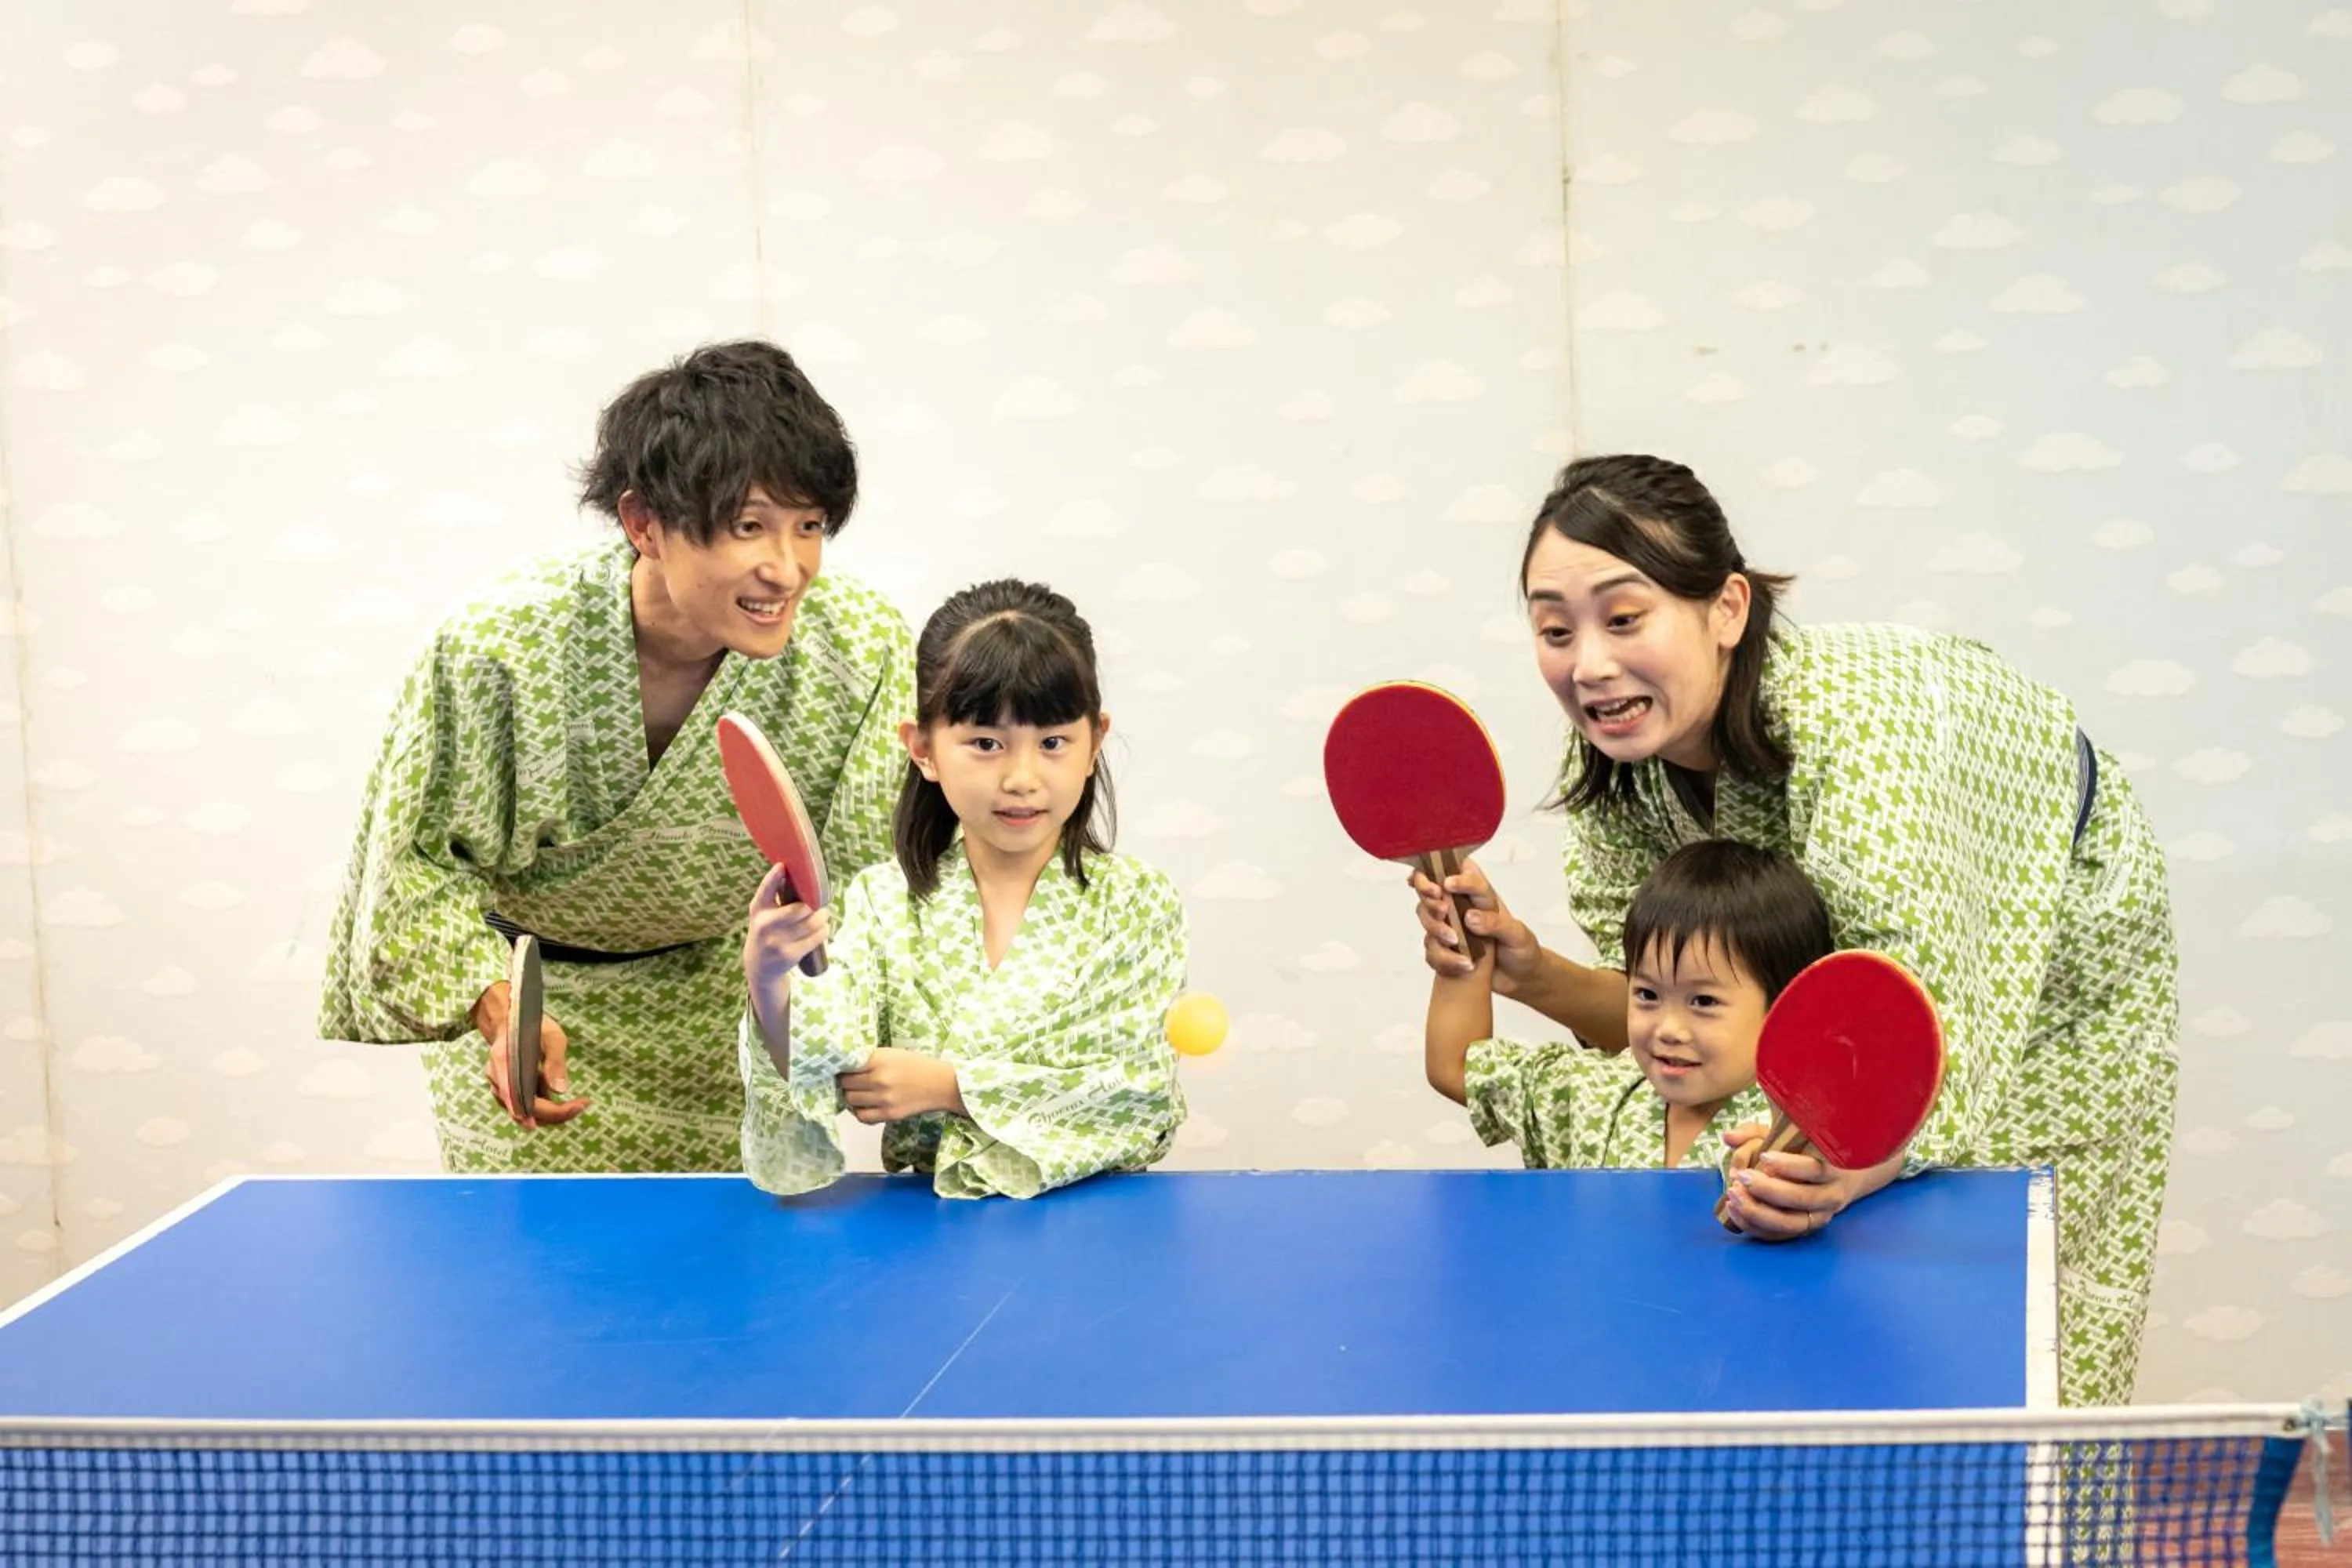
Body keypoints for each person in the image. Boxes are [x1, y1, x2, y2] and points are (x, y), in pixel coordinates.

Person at [1414, 453, 2177, 1406]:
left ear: (1727, 607)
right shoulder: (1621, 747)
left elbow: (1914, 1042)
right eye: (1555, 629)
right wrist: (1530, 972)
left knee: (1984, 1294)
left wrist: (1845, 1171)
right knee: (1812, 1244)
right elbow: (1694, 1007)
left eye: (1624, 615)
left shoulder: (1868, 736)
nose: (1589, 663)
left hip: (2061, 957)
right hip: (1901, 969)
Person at [317, 340, 913, 1173]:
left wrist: (811, 1007)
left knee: (739, 1281)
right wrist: (501, 1009)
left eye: (809, 526)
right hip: (531, 1007)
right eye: (749, 525)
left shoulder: (865, 648)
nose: (788, 568)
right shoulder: (498, 648)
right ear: (644, 524)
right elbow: (417, 865)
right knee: (535, 1278)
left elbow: (868, 876)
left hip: (730, 1009)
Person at [739, 579, 1189, 1200]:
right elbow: (826, 1066)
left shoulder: (1139, 902)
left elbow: (1141, 1096)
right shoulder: (882, 901)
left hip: (1095, 1218)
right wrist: (768, 980)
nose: (1023, 778)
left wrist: (952, 1087)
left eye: (1053, 742)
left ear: (1095, 744)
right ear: (923, 749)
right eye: (985, 744)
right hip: (926, 1235)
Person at [1428, 839, 1835, 1187]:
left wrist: (1811, 1165)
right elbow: (1455, 1067)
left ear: (1786, 1011)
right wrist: (1464, 943)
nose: (1669, 1028)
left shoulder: (1799, 1137)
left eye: (1704, 1002)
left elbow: (1894, 1144)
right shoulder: (1593, 1096)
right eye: (1646, 994)